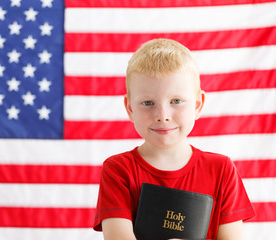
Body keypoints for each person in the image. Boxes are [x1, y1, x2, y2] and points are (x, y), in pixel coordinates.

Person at [93, 39, 255, 240]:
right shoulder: (118, 170)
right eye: (148, 103)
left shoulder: (222, 170)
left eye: (176, 101)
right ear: (130, 108)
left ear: (197, 105)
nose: (163, 115)